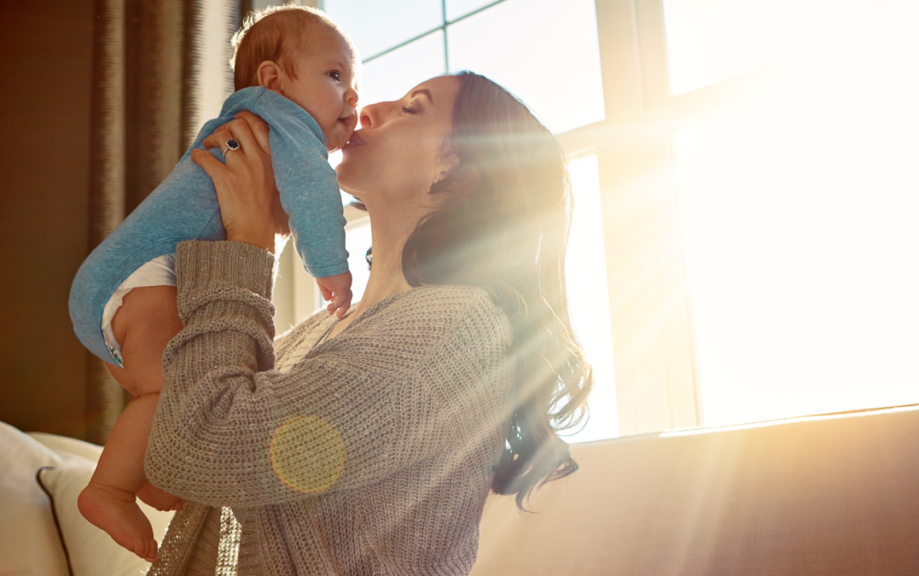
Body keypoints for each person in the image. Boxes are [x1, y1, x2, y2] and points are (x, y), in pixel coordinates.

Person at [140, 71, 596, 575]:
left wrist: (243, 248)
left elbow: (200, 442)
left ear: (461, 168)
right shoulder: (318, 333)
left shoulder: (455, 329)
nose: (370, 108)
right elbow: (188, 455)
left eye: (412, 108)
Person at [70, 6, 360, 561]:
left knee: (164, 399)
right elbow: (313, 195)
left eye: (353, 84)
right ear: (274, 79)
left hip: (124, 284)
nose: (351, 97)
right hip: (142, 275)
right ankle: (107, 489)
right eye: (335, 76)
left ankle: (153, 473)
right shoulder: (282, 120)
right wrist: (331, 266)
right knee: (170, 393)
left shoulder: (250, 124)